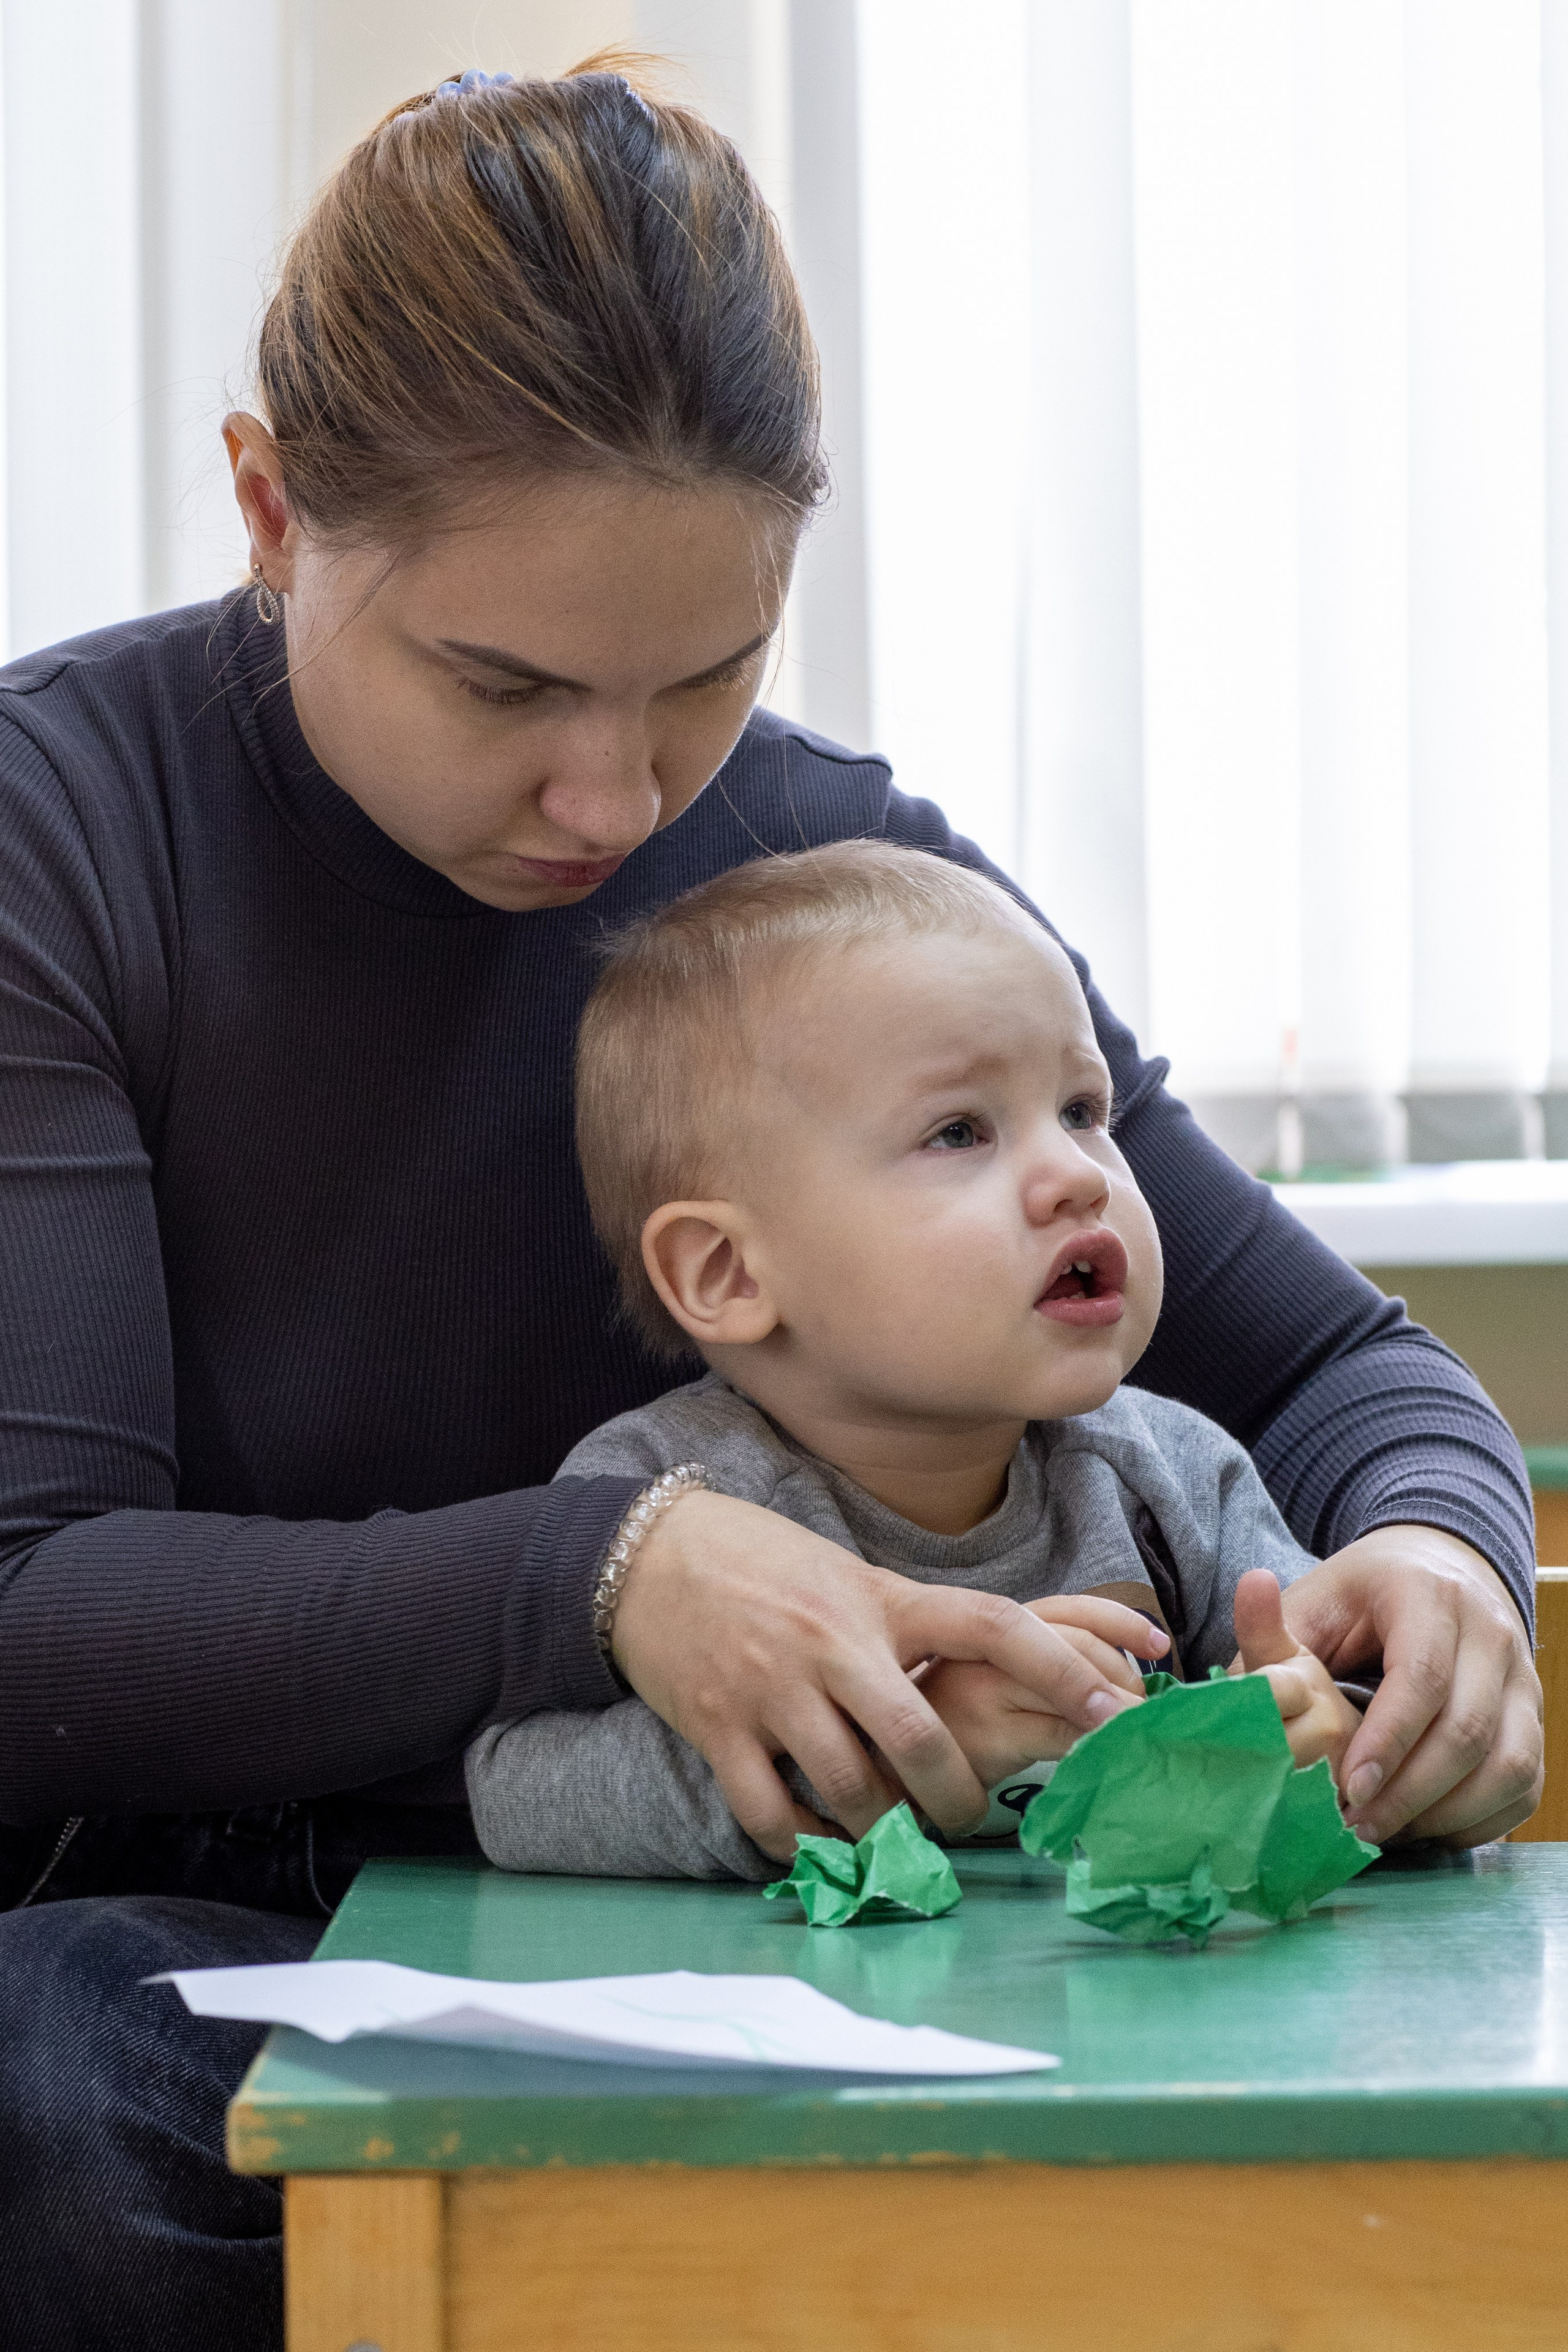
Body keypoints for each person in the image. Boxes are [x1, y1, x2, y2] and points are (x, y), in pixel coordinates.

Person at [0, 57, 1540, 2352]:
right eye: (499, 682)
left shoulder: (827, 880)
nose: (613, 795)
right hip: (202, 1915)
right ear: (265, 507)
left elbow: (1337, 1362)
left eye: (710, 673)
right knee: (99, 2126)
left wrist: (1433, 1567)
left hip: (810, 1926)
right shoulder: (65, 839)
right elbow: (40, 1619)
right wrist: (610, 1570)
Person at [466, 842, 1364, 1880]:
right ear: (727, 1272)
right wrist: (903, 1744)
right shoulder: (672, 1498)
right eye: (958, 1132)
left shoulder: (1174, 1474)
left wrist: (1320, 1737)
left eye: (1082, 1111)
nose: (1076, 1176)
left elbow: (1325, 1697)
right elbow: (518, 1795)